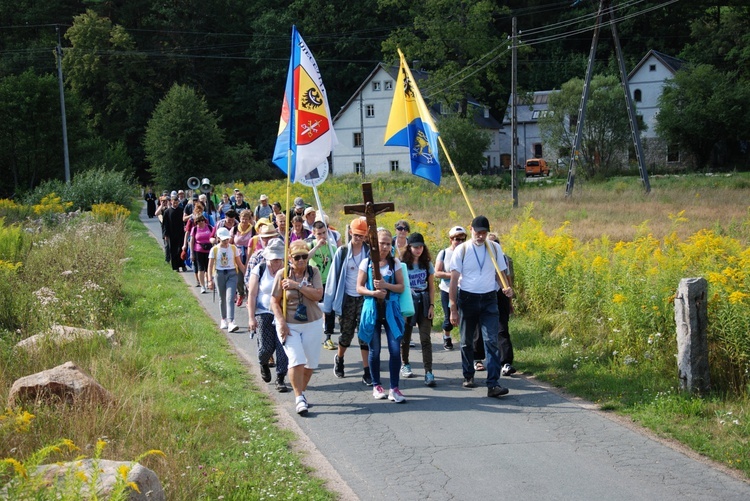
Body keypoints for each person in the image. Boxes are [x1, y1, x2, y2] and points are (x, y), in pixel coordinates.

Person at [449, 215, 513, 398]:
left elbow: (500, 273)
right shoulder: (461, 250)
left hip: (489, 299)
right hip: (467, 298)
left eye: (484, 233)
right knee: (466, 341)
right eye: (478, 232)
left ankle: (493, 384)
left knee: (491, 341)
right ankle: (468, 374)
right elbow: (453, 280)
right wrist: (453, 307)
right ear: (471, 230)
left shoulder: (494, 248)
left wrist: (506, 289)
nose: (480, 236)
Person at [270, 240, 324, 416]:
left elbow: (317, 295)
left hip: (313, 323)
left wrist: (297, 286)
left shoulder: (313, 271)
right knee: (296, 360)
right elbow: (274, 301)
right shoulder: (282, 274)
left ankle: (302, 392)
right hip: (290, 325)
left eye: (304, 256)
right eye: (297, 257)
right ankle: (299, 397)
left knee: (310, 364)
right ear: (290, 258)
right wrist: (281, 322)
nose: (301, 260)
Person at [357, 229, 406, 403]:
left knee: (394, 349)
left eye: (387, 243)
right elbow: (359, 287)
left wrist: (386, 285)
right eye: (381, 243)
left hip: (391, 310)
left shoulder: (395, 263)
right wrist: (373, 293)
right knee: (375, 350)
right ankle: (376, 384)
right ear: (374, 244)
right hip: (372, 310)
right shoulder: (366, 262)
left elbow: (401, 287)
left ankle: (394, 387)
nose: (384, 247)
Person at [324, 217, 373, 385]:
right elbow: (333, 278)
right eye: (356, 234)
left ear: (366, 235)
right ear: (350, 232)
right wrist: (329, 304)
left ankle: (367, 370)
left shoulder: (369, 252)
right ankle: (339, 358)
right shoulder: (343, 252)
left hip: (364, 297)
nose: (358, 238)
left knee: (364, 333)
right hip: (346, 298)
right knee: (346, 334)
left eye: (362, 235)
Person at [247, 239, 289, 393]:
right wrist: (251, 317)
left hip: (282, 313)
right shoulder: (260, 269)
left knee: (282, 347)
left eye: (278, 258)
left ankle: (281, 378)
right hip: (263, 312)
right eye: (273, 259)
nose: (276, 262)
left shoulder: (287, 270)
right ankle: (263, 362)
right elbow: (251, 295)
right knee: (266, 347)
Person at [399, 232, 437, 387]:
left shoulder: (427, 264)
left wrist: (432, 306)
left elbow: (432, 287)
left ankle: (428, 371)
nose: (418, 250)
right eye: (415, 247)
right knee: (405, 336)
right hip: (409, 301)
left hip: (424, 301)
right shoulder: (402, 264)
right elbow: (400, 286)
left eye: (421, 247)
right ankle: (405, 363)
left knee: (425, 338)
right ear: (409, 247)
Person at [208, 227, 246, 332]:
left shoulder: (233, 248)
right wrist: (210, 281)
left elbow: (239, 264)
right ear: (218, 238)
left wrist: (246, 275)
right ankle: (223, 318)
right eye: (223, 239)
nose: (226, 242)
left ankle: (231, 322)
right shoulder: (214, 249)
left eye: (227, 239)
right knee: (222, 297)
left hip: (232, 273)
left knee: (230, 298)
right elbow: (210, 266)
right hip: (219, 274)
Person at [434, 226, 466, 351]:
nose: (459, 242)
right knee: (449, 317)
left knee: (465, 316)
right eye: (456, 239)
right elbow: (437, 272)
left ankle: (466, 339)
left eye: (462, 239)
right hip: (447, 289)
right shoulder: (444, 253)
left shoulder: (467, 251)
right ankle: (447, 337)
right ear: (451, 239)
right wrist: (454, 276)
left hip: (464, 289)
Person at [307, 220, 336, 350]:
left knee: (329, 311)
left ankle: (328, 337)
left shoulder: (332, 247)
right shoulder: (310, 244)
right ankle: (310, 336)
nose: (322, 236)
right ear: (314, 233)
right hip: (313, 283)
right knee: (311, 310)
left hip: (328, 283)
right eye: (319, 233)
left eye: (324, 233)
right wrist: (317, 246)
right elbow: (305, 258)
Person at [190, 215, 214, 293]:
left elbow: (214, 237)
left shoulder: (210, 227)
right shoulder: (195, 229)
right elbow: (192, 241)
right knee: (201, 268)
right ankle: (202, 286)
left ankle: (207, 281)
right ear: (196, 222)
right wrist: (192, 253)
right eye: (199, 221)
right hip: (198, 250)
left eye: (202, 220)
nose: (201, 222)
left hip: (209, 251)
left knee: (208, 268)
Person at [162, 194, 186, 272]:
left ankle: (182, 265)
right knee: (173, 250)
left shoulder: (181, 210)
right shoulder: (167, 212)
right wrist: (165, 234)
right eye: (173, 202)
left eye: (176, 202)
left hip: (180, 233)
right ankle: (175, 267)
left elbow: (184, 221)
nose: (175, 204)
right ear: (171, 202)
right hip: (171, 234)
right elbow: (165, 224)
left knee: (181, 249)